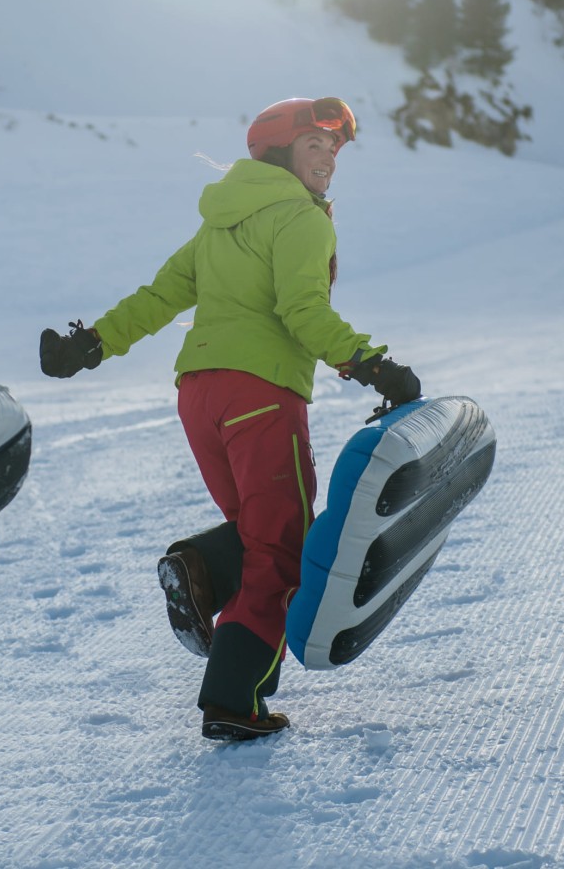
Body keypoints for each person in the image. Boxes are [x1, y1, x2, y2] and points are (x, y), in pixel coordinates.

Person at [39, 97, 421, 742]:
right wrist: (371, 365)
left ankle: (201, 572)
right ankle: (232, 699)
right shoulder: (301, 219)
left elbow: (161, 296)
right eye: (315, 143)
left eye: (336, 147)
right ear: (279, 150)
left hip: (200, 396)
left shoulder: (221, 221)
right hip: (262, 395)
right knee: (280, 548)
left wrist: (91, 344)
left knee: (257, 532)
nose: (330, 156)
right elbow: (302, 310)